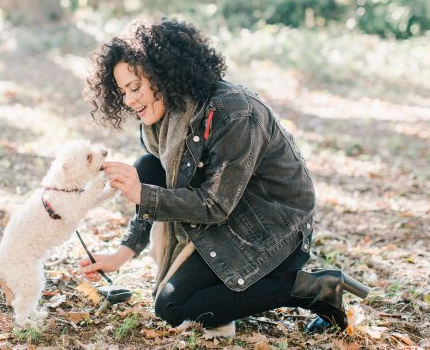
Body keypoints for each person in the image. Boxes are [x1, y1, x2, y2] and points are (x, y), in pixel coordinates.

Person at [79, 18, 369, 334]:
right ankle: (232, 294)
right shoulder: (163, 122)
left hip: (272, 232)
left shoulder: (234, 112)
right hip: (228, 220)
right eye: (122, 91)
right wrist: (121, 254)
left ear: (162, 75)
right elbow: (156, 180)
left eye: (135, 87)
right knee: (148, 166)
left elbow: (215, 206)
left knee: (173, 308)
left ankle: (314, 288)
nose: (129, 100)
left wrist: (143, 194)